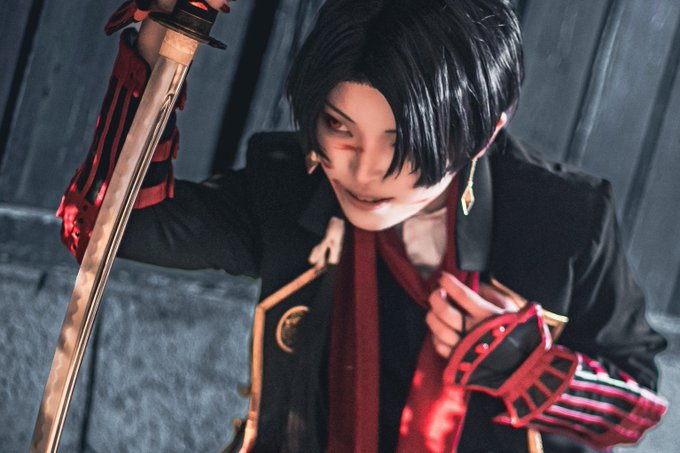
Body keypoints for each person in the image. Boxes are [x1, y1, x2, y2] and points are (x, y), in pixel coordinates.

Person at [57, 0, 668, 451]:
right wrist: (163, 41)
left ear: (485, 132)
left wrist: (526, 369)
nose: (363, 171)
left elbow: (637, 410)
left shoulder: (565, 219)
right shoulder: (291, 185)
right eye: (338, 126)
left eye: (401, 142)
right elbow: (110, 227)